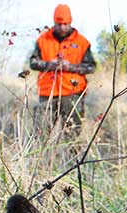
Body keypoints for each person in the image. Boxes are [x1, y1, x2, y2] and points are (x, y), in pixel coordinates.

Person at [30, 4, 96, 133]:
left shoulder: (82, 42)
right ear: (54, 22)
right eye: (58, 24)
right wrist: (50, 65)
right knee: (41, 134)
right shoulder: (43, 40)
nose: (62, 27)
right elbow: (33, 63)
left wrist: (70, 67)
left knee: (72, 135)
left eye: (65, 24)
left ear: (70, 22)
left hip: (72, 94)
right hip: (47, 94)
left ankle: (73, 154)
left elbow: (91, 66)